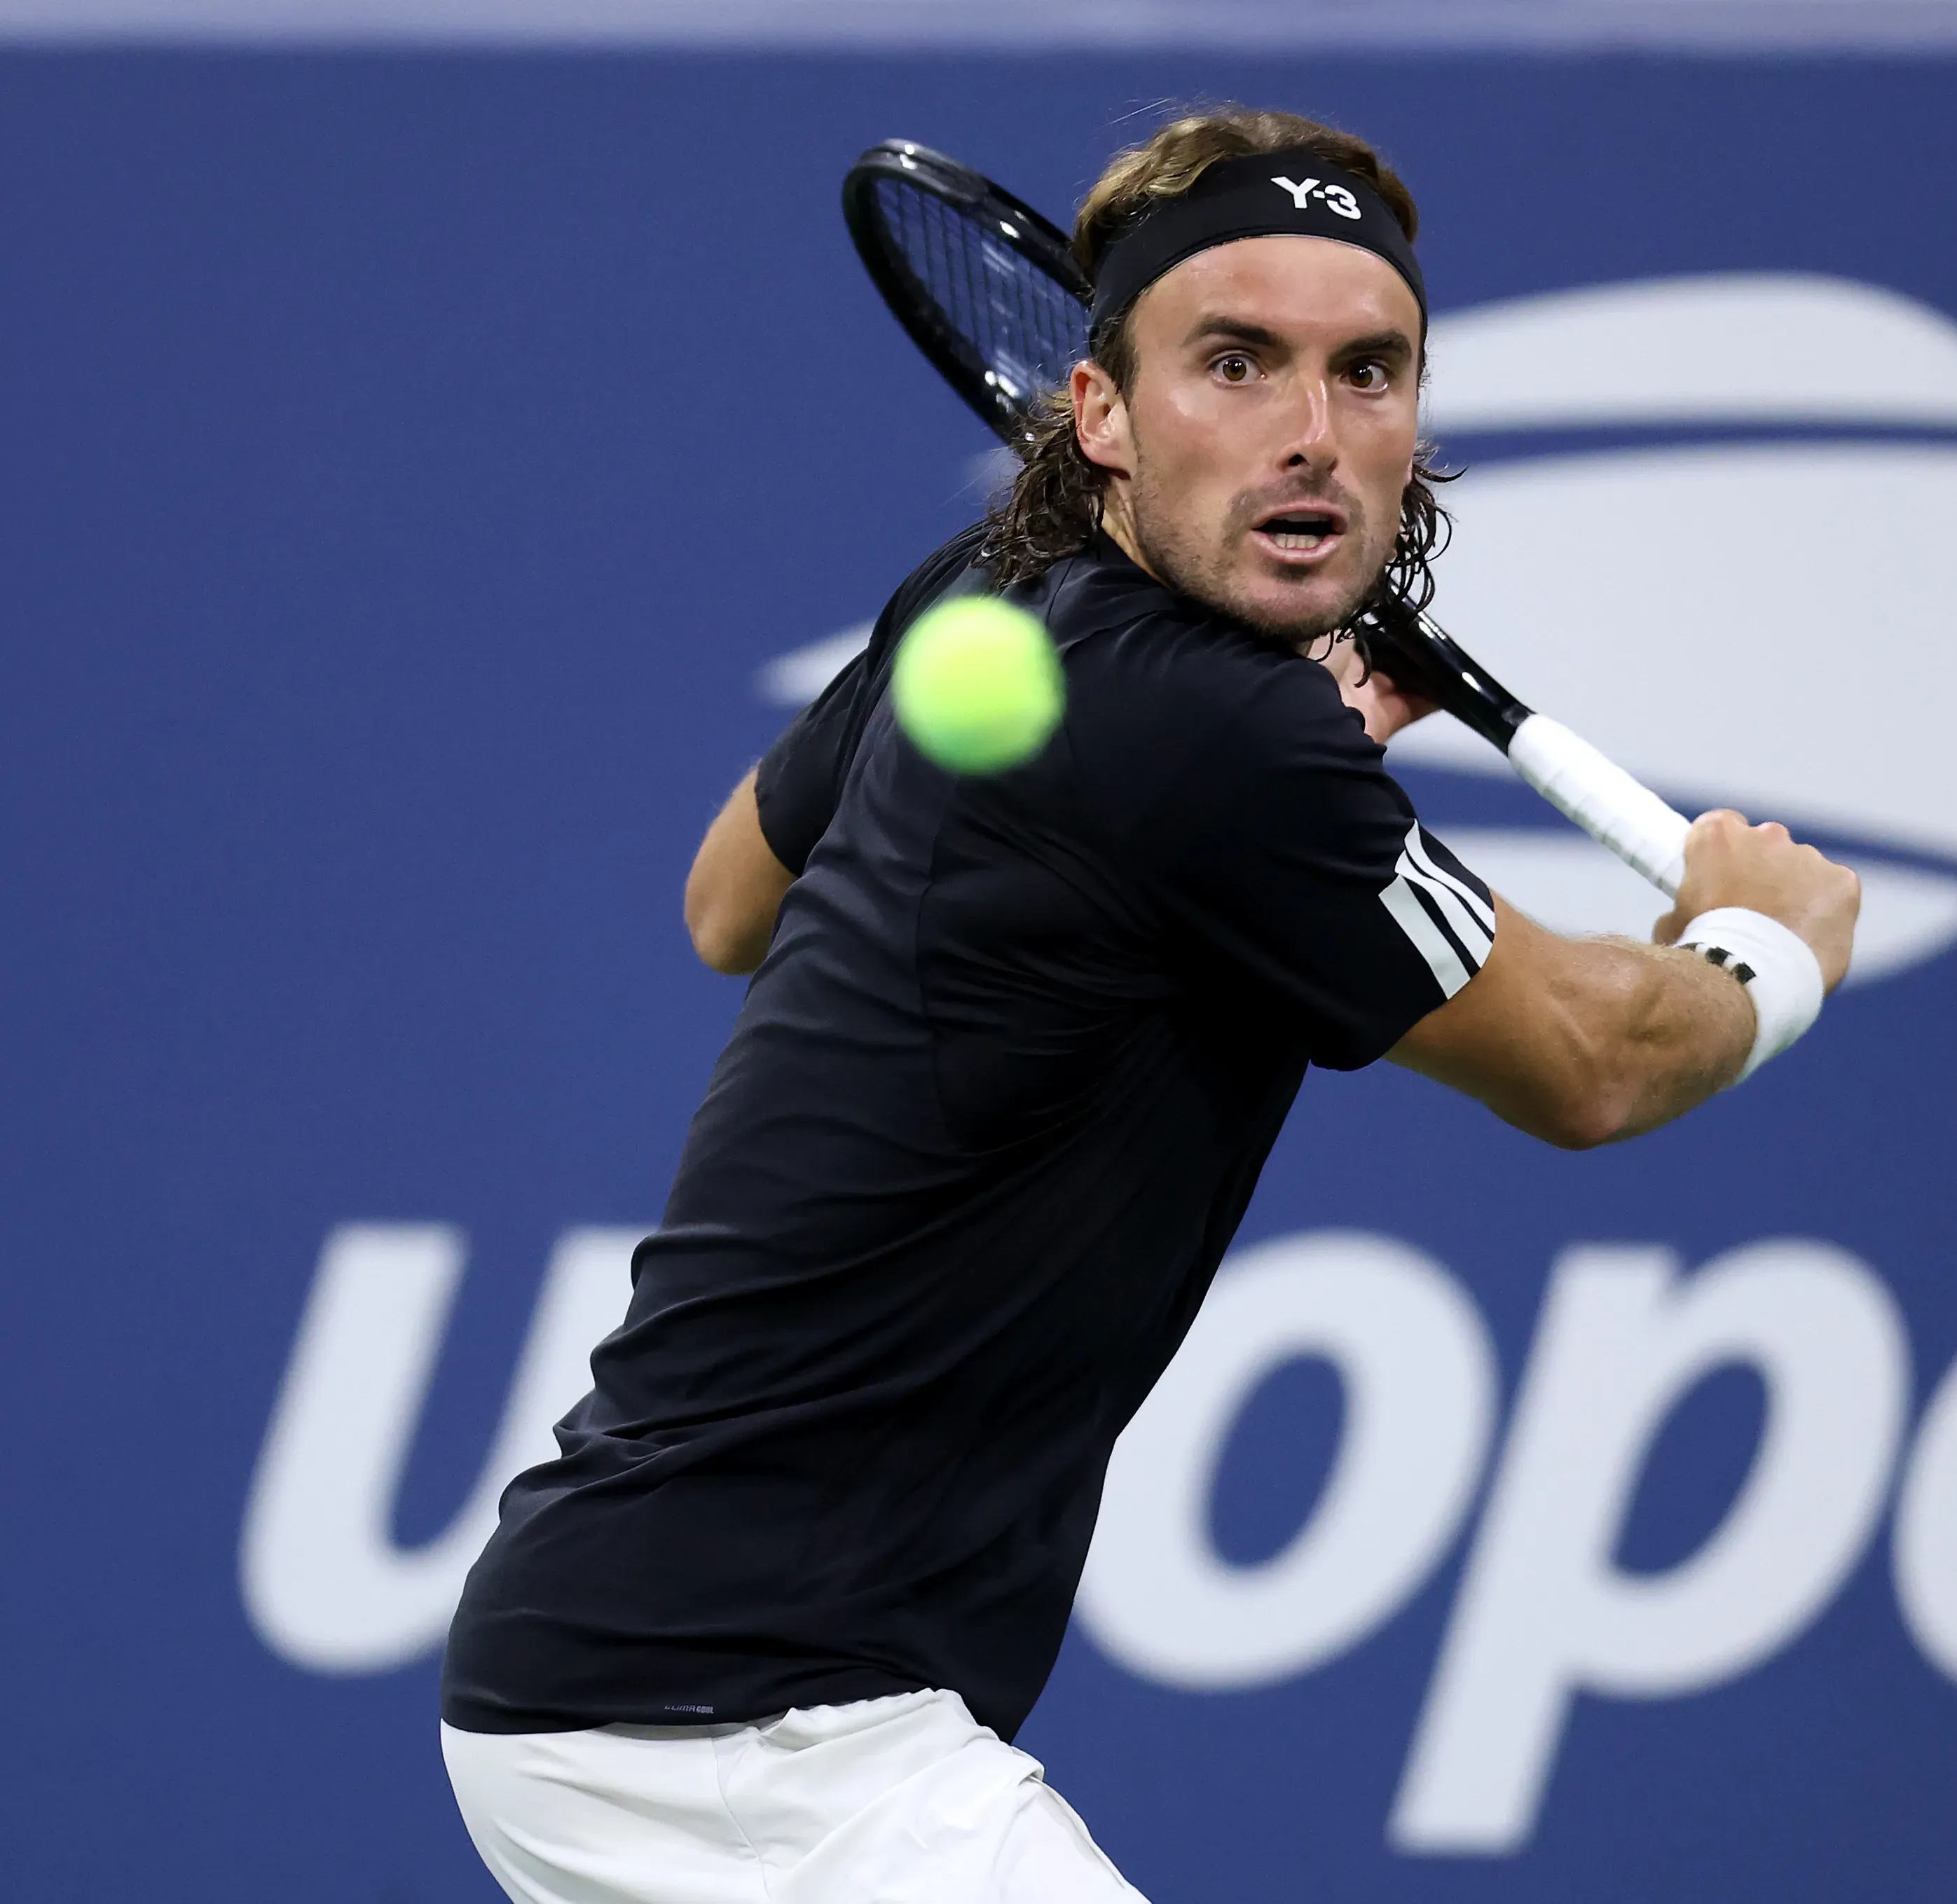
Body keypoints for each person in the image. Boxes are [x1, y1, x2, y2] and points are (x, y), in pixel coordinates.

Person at [439, 106, 1859, 1904]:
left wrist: (1218, 837)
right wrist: (1758, 950)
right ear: (1099, 411)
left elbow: (731, 899)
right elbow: (1586, 1062)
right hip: (751, 1728)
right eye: (1236, 364)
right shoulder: (1210, 734)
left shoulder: (999, 597)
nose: (1311, 432)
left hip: (630, 1674)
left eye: (1367, 372)